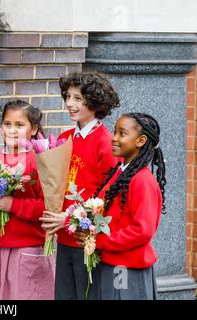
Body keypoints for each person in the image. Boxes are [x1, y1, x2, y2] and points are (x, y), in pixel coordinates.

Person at [39, 72, 120, 300]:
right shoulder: (65, 138)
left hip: (87, 239)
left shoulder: (105, 141)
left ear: (94, 101)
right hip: (63, 237)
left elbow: (108, 195)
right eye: (68, 96)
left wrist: (69, 217)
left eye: (77, 98)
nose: (69, 103)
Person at [0, 100, 55, 300]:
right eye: (7, 124)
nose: (12, 130)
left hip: (26, 252)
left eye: (19, 125)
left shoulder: (39, 161)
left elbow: (47, 207)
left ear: (33, 129)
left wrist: (13, 205)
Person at [76, 113, 166, 300]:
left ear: (140, 140)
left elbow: (142, 231)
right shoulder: (119, 174)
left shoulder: (142, 181)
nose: (114, 138)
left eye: (122, 133)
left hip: (125, 270)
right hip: (109, 263)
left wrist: (99, 241)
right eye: (114, 132)